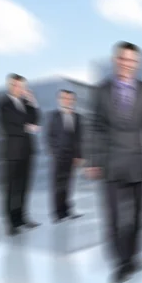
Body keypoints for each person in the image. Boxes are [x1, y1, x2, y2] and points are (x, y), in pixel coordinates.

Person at [85, 41, 142, 283]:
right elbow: (94, 126)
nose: (127, 64)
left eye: (132, 61)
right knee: (114, 217)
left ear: (137, 64)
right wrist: (93, 160)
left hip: (140, 163)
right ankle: (121, 262)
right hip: (110, 163)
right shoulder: (100, 91)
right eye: (123, 59)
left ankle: (132, 255)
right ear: (115, 60)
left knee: (139, 216)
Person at [0, 74, 42, 235]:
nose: (21, 89)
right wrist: (26, 128)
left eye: (23, 86)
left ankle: (22, 218)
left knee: (24, 187)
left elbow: (36, 120)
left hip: (28, 151)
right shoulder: (3, 104)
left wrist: (33, 102)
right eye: (17, 86)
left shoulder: (25, 103)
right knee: (11, 188)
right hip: (13, 152)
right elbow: (9, 127)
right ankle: (10, 223)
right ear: (10, 85)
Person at [46, 89, 84, 222]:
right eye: (65, 98)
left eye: (70, 99)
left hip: (72, 156)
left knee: (69, 184)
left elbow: (80, 137)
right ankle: (57, 213)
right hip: (58, 156)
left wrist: (79, 156)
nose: (68, 101)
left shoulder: (78, 117)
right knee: (57, 184)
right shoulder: (53, 116)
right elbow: (49, 136)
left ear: (73, 101)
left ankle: (67, 210)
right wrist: (54, 152)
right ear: (60, 99)